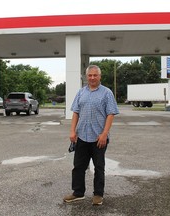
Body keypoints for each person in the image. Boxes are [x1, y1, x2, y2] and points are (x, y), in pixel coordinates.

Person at [63, 65, 119, 205]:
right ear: (86, 77)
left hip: (98, 138)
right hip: (82, 136)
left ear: (100, 76)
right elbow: (75, 112)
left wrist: (104, 134)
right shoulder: (81, 93)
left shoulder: (107, 93)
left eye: (95, 75)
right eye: (90, 75)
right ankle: (78, 192)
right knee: (78, 166)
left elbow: (111, 113)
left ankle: (98, 195)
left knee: (99, 167)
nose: (92, 78)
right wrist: (72, 131)